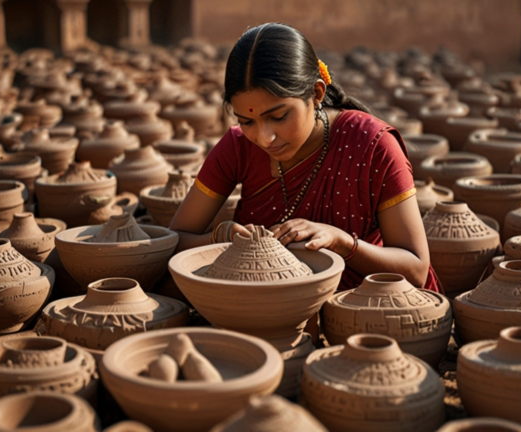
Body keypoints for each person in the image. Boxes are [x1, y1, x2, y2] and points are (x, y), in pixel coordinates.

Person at [170, 22, 441, 293]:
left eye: (278, 117)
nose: (264, 138)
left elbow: (416, 270)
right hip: (262, 301)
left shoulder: (373, 146)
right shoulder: (238, 147)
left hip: (362, 307)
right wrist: (221, 238)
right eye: (246, 121)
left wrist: (342, 243)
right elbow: (173, 241)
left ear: (316, 93)